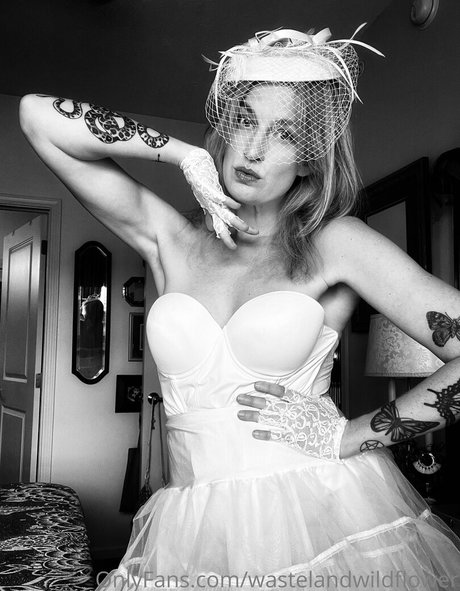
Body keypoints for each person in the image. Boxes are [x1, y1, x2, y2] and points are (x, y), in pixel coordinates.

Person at [19, 23, 460, 591]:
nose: (253, 149)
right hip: (189, 526)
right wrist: (185, 155)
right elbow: (37, 116)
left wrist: (348, 436)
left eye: (284, 133)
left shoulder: (336, 243)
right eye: (245, 120)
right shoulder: (170, 239)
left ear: (309, 160)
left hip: (319, 515)